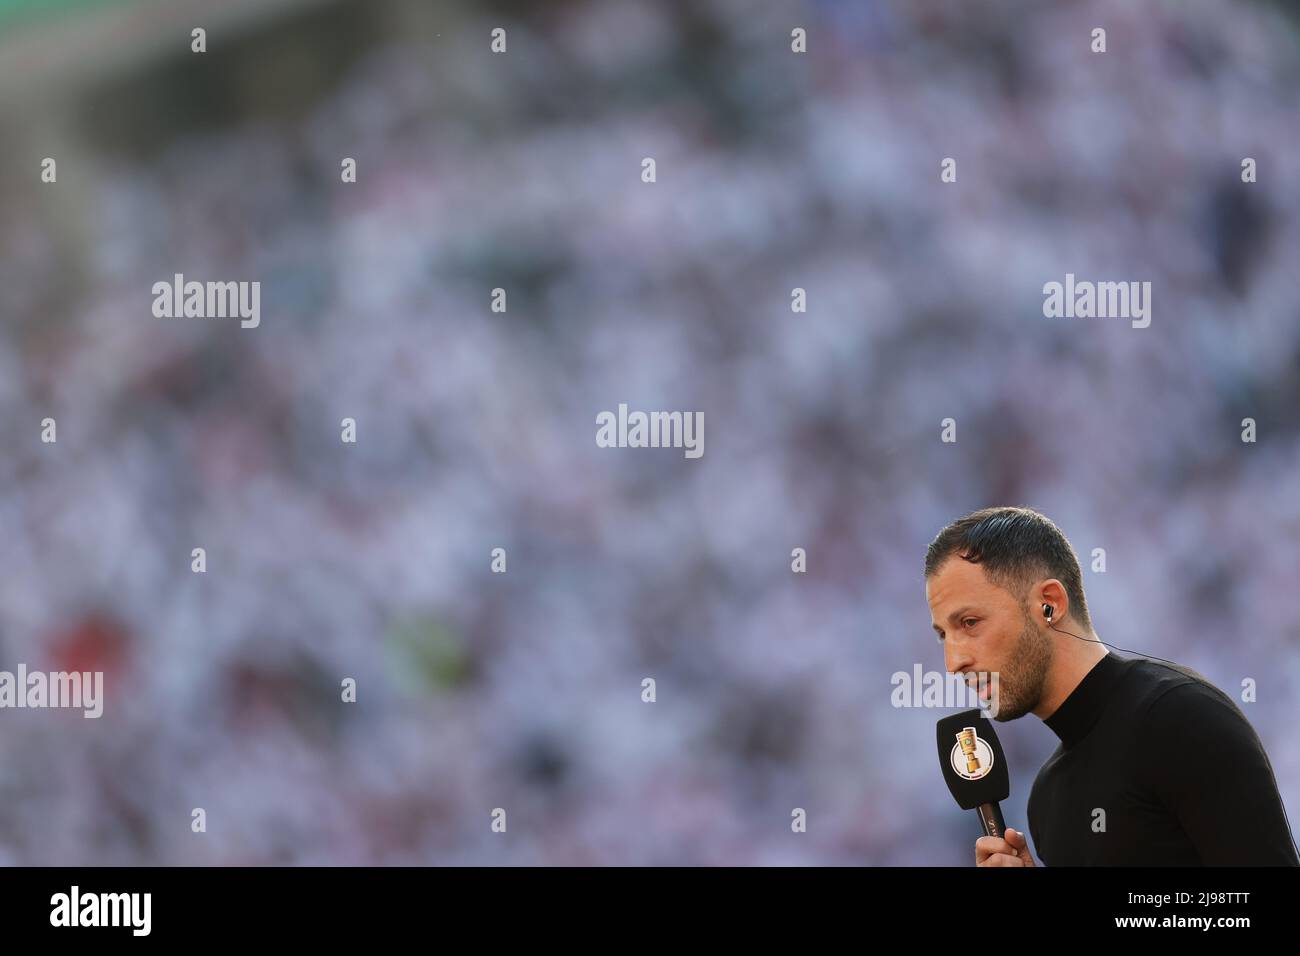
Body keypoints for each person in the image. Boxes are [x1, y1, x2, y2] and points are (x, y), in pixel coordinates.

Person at [924, 506, 1299, 866]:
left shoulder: (1180, 718)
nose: (954, 662)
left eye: (970, 623)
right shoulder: (1046, 795)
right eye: (944, 635)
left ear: (1049, 604)